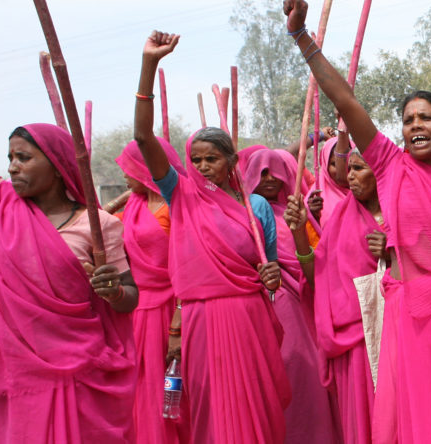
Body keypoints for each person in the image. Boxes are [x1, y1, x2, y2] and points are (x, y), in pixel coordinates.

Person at [284, 0, 431, 443]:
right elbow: (345, 101)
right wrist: (301, 37)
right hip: (407, 315)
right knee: (417, 420)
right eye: (408, 120)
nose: (415, 126)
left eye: (427, 118)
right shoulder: (389, 166)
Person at [133, 30, 291, 443]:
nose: (202, 167)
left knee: (258, 407)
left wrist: (270, 277)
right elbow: (143, 138)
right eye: (195, 160)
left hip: (249, 317)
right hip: (201, 320)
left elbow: (267, 271)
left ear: (231, 162)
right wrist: (150, 65)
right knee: (210, 409)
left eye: (211, 159)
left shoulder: (254, 209)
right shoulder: (180, 194)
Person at [0, 123, 138, 442]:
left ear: (58, 165)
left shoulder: (99, 224)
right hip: (22, 369)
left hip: (82, 368)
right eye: (10, 158)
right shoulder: (5, 207)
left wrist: (113, 291)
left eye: (24, 157)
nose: (12, 166)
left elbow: (131, 297)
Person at [285, 150, 386, 444]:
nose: (350, 176)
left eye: (358, 168)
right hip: (354, 339)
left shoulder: (402, 210)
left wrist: (391, 252)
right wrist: (300, 234)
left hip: (397, 332)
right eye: (348, 169)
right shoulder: (342, 216)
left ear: (379, 170)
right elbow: (319, 279)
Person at [243, 148, 341, 444]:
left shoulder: (300, 212)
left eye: (274, 171)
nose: (270, 178)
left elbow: (319, 253)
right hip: (266, 300)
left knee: (306, 373)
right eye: (261, 173)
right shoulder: (245, 212)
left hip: (303, 302)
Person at [116, 138, 191, 443]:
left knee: (174, 384)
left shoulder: (177, 207)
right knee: (142, 386)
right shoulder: (132, 207)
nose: (123, 174)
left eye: (127, 168)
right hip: (136, 312)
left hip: (172, 306)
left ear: (143, 168)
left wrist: (179, 320)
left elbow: (188, 264)